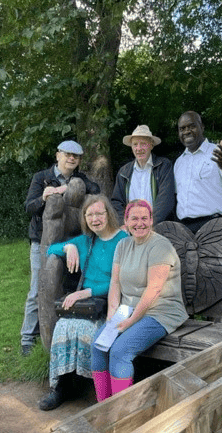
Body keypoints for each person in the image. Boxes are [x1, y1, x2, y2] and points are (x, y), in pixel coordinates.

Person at [91, 200, 188, 400]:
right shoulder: (123, 244)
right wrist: (112, 315)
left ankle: (122, 413)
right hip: (128, 310)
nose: (140, 223)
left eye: (145, 218)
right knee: (98, 346)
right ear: (126, 221)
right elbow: (115, 283)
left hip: (161, 311)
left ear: (152, 220)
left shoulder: (160, 246)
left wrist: (130, 321)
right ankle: (103, 406)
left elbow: (154, 289)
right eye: (134, 218)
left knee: (120, 350)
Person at [38, 195, 128, 410]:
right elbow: (50, 249)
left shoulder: (123, 240)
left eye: (99, 213)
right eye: (90, 215)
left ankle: (97, 389)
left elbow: (122, 279)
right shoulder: (86, 240)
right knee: (63, 327)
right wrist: (69, 247)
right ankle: (61, 386)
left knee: (86, 329)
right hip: (87, 304)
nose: (95, 219)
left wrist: (85, 292)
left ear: (108, 214)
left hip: (111, 301)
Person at [20, 140, 100, 356]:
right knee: (39, 289)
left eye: (76, 156)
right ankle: (28, 339)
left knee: (67, 285)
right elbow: (29, 207)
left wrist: (68, 188)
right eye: (67, 154)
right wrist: (44, 197)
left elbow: (95, 190)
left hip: (72, 242)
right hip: (42, 241)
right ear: (58, 155)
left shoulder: (79, 179)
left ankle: (65, 332)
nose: (71, 158)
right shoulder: (41, 177)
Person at [174, 111, 222, 234]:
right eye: (182, 128)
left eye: (192, 126)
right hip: (186, 230)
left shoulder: (220, 153)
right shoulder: (178, 163)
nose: (186, 131)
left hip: (217, 227)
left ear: (202, 127)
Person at [111, 125, 175, 226]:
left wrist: (150, 224)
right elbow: (116, 202)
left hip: (157, 227)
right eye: (135, 144)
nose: (139, 148)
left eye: (143, 144)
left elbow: (165, 200)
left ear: (151, 145)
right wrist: (124, 223)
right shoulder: (124, 171)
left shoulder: (163, 166)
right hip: (132, 228)